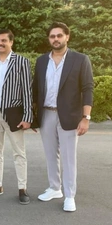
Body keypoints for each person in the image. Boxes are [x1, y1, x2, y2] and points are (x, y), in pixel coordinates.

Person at [33, 22, 94, 212]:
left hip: (70, 116)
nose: (56, 39)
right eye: (52, 36)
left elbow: (88, 89)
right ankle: (54, 188)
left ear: (67, 37)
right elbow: (36, 90)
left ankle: (69, 196)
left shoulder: (80, 60)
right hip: (46, 114)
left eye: (59, 35)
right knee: (50, 155)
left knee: (68, 158)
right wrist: (33, 117)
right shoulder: (42, 61)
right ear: (49, 39)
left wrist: (86, 117)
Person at [0, 29, 33, 204]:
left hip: (14, 115)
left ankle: (22, 188)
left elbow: (27, 91)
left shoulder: (21, 62)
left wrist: (27, 116)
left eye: (4, 40)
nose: (0, 43)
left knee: (19, 153)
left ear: (11, 42)